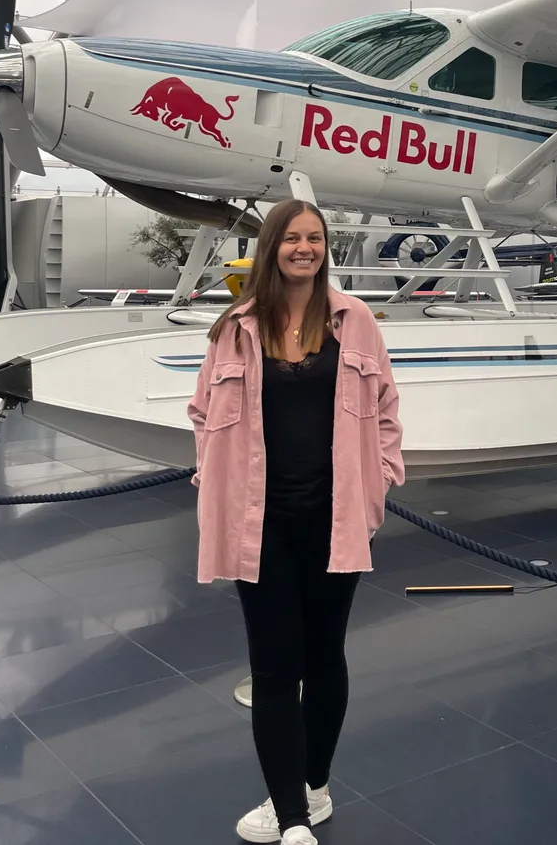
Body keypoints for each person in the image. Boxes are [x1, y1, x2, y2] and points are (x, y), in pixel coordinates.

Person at [189, 199, 405, 845]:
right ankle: (291, 819)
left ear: (324, 248)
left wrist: (381, 480)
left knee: (325, 657)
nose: (303, 248)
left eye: (313, 238)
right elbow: (202, 413)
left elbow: (387, 405)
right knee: (276, 666)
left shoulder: (354, 321)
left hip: (337, 521)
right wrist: (211, 480)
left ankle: (315, 786)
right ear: (272, 248)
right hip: (259, 526)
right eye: (292, 238)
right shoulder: (235, 326)